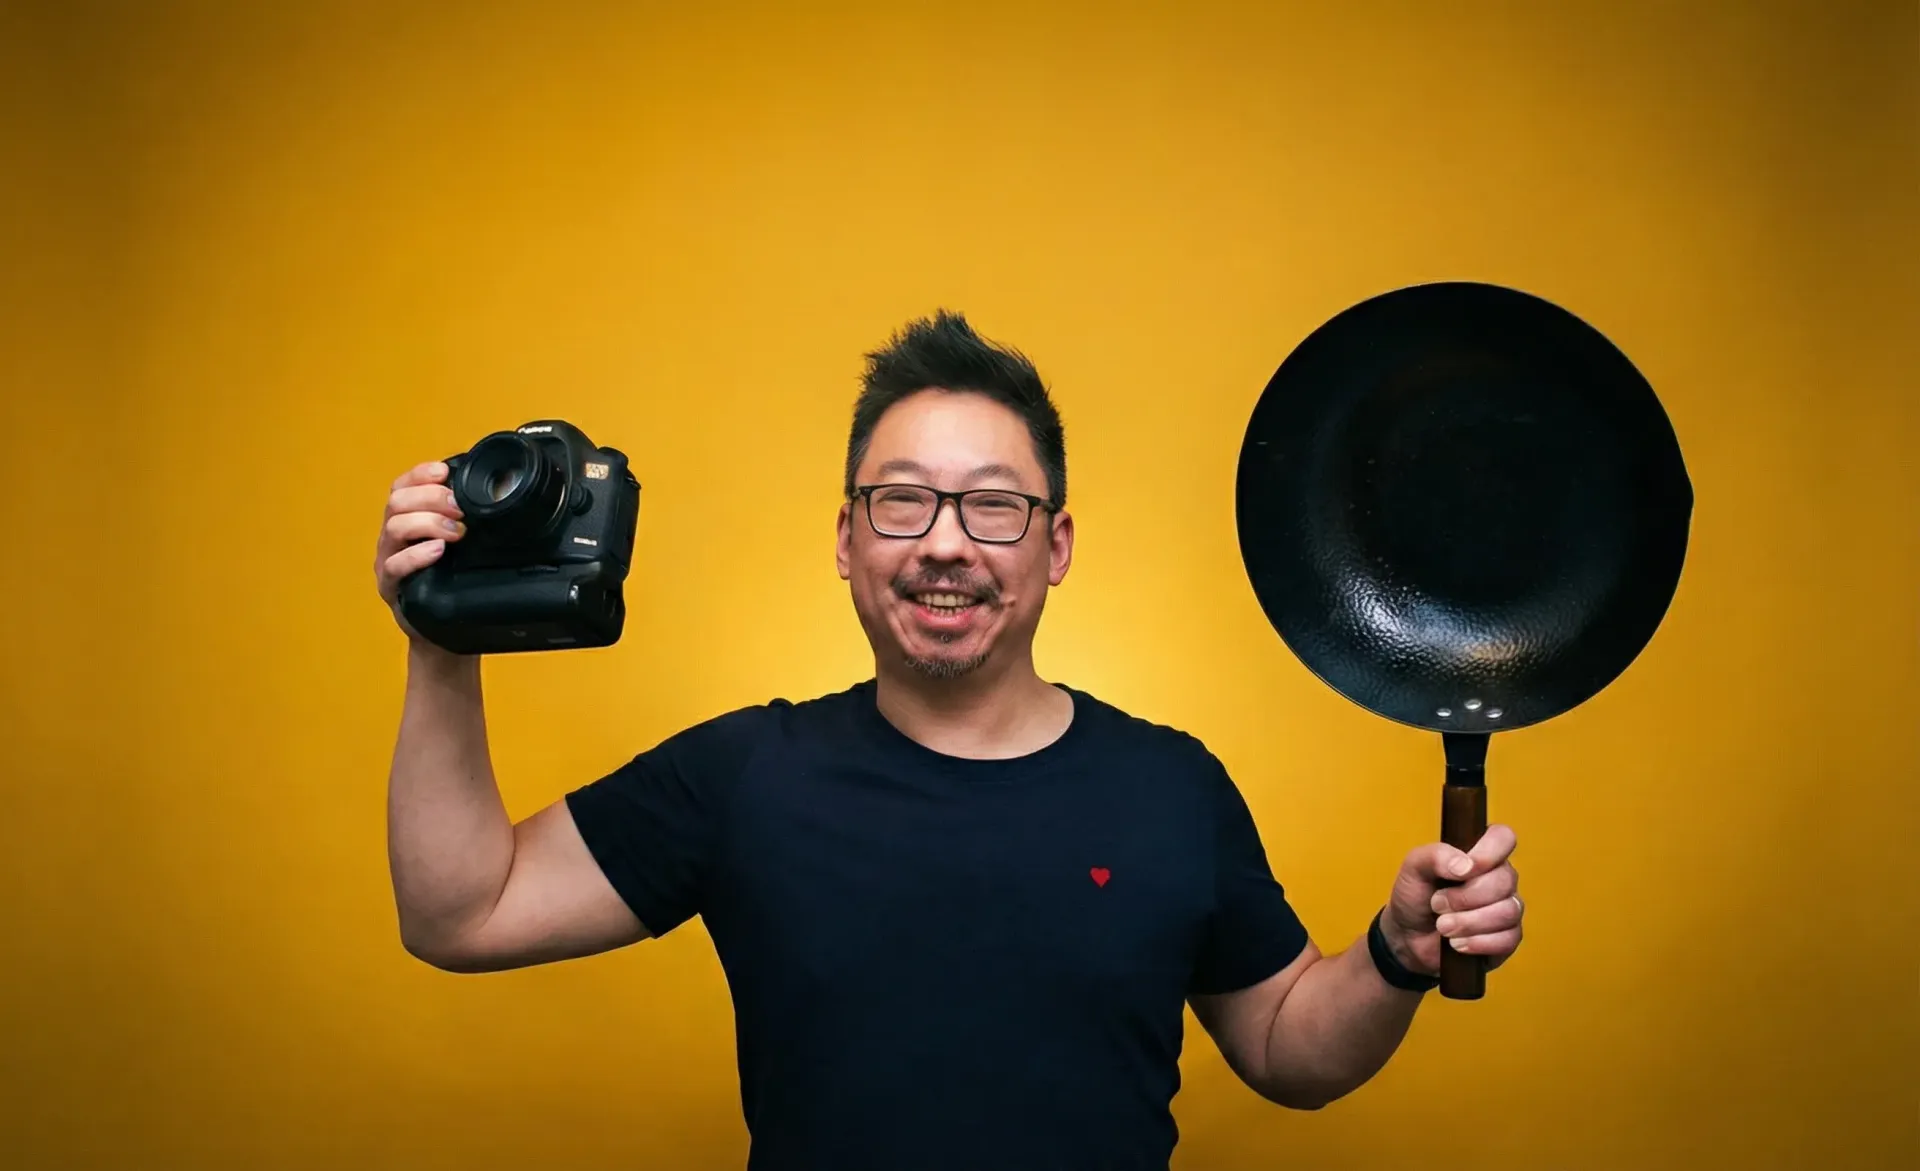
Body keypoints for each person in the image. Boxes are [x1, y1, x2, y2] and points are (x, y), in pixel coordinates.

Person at [375, 311, 1525, 1170]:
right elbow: (460, 912)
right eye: (901, 500)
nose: (944, 544)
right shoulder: (742, 779)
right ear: (845, 537)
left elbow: (1285, 1049)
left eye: (992, 505)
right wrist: (444, 640)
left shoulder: (1171, 786)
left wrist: (1390, 954)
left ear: (1056, 544)